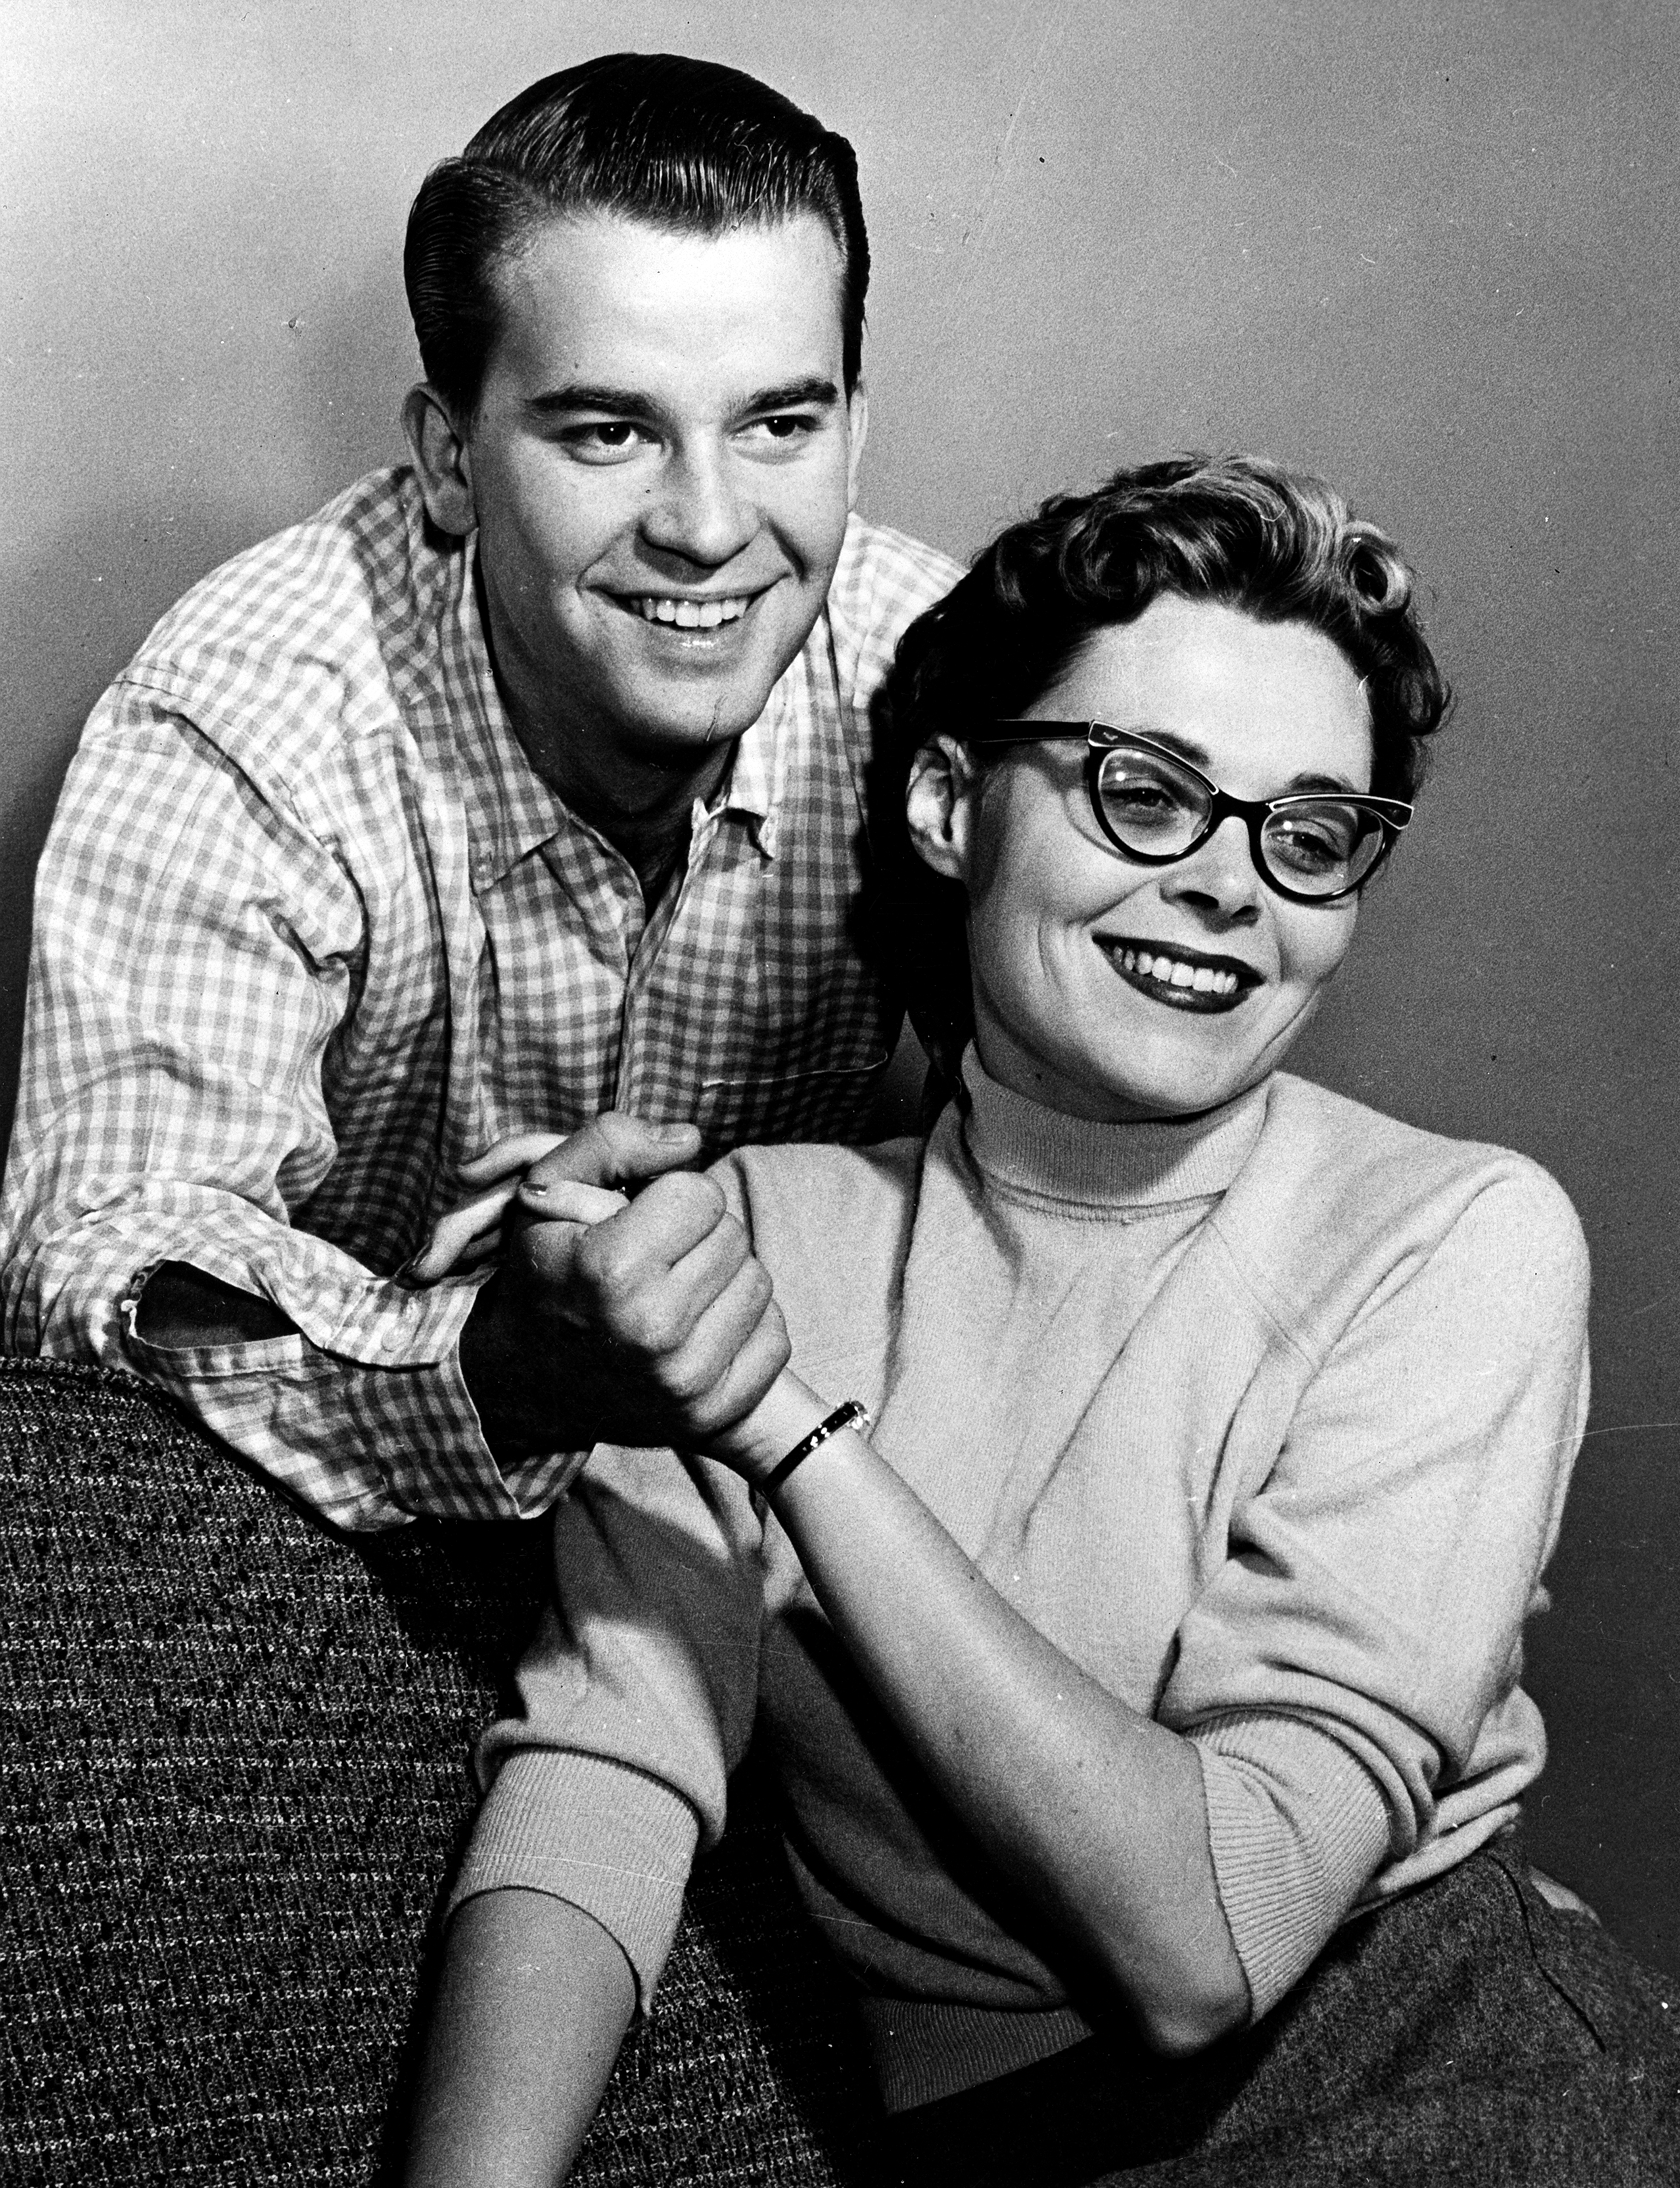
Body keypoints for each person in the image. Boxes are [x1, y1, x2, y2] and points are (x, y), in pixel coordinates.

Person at [403, 457, 1679, 2186]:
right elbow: (606, 1779)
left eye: (1310, 835)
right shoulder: (754, 1233)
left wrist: (783, 1429)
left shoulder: (1455, 1238)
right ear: (949, 805)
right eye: (1143, 791)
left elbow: (1196, 1945)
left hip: (1445, 2082)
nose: (1233, 883)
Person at [0, 55, 959, 1530]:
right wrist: (503, 1365)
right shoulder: (248, 715)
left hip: (767, 1484)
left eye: (780, 425)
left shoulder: (925, 675)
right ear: (451, 461)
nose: (709, 530)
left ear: (855, 431)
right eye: (607, 432)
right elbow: (95, 1268)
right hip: (334, 1509)